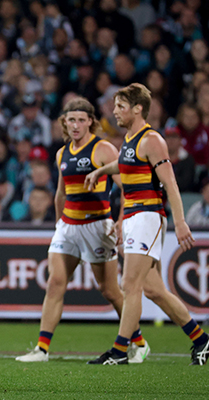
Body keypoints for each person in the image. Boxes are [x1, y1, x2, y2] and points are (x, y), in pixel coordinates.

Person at [16, 97, 149, 363]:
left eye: (80, 119)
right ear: (64, 123)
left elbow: (127, 189)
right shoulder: (62, 153)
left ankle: (139, 342)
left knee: (110, 290)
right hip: (68, 226)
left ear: (91, 121)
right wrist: (58, 224)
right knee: (55, 283)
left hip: (97, 226)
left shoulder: (103, 149)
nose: (75, 125)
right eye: (70, 120)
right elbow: (60, 194)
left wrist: (122, 222)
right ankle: (42, 349)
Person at [85, 83, 208, 366]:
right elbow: (124, 166)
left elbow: (171, 183)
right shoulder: (130, 139)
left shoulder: (152, 139)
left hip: (148, 215)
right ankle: (201, 340)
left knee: (130, 285)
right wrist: (101, 170)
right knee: (154, 290)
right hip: (134, 217)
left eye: (120, 106)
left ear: (138, 108)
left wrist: (180, 222)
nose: (114, 111)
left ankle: (118, 351)